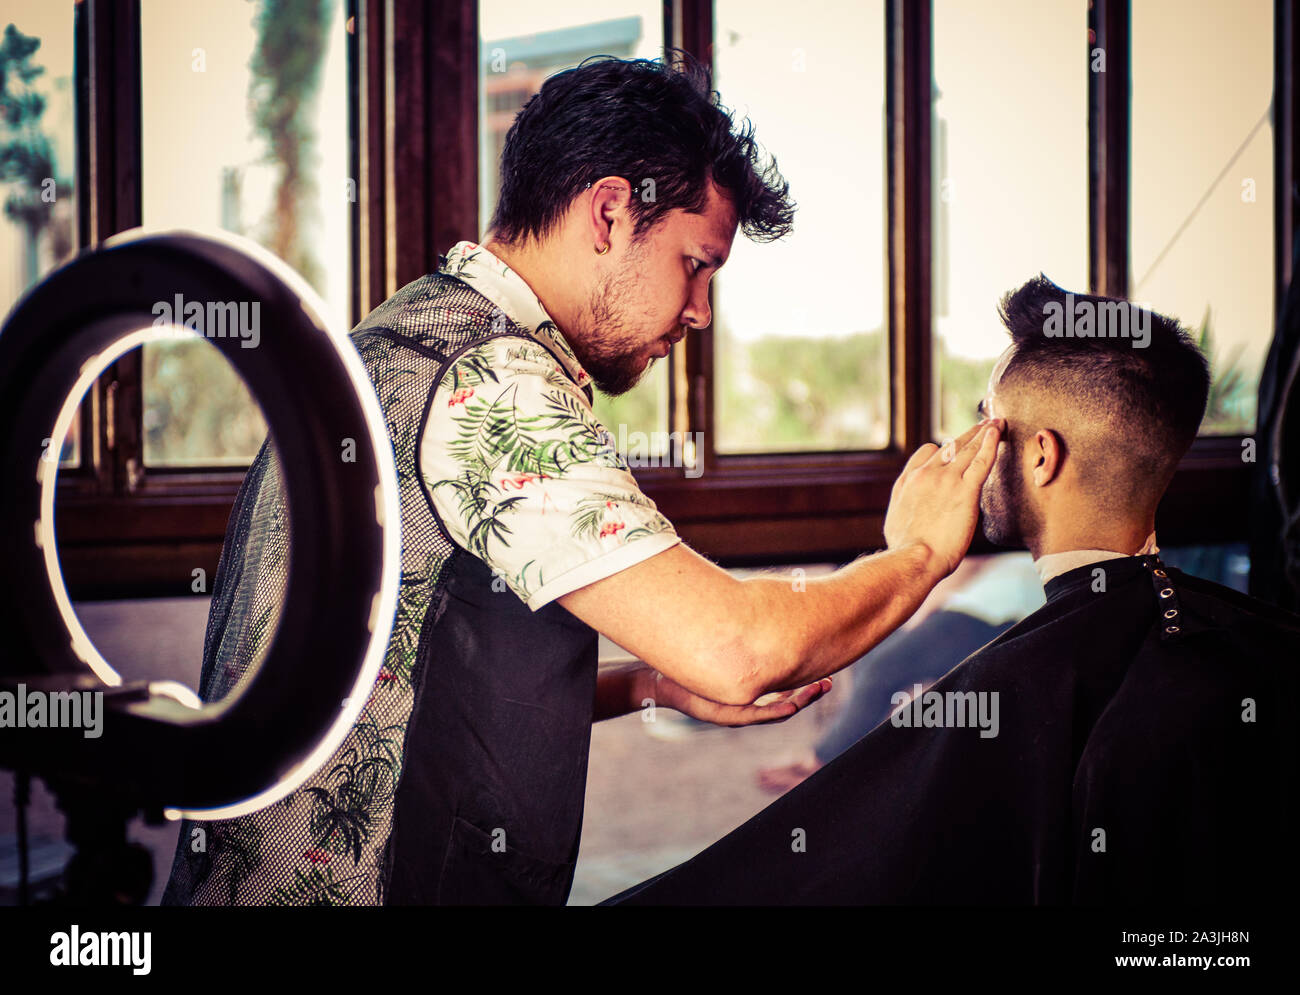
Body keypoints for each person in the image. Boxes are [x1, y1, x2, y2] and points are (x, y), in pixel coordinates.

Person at [160, 54, 1001, 906]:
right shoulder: (487, 383)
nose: (702, 311)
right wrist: (922, 551)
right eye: (696, 264)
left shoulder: (386, 344)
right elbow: (743, 647)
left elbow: (401, 679)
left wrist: (645, 684)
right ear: (608, 211)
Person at [607, 275, 1300, 905]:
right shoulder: (1263, 647)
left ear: (1040, 454)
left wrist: (912, 552)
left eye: (987, 416)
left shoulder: (1018, 678)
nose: (968, 441)